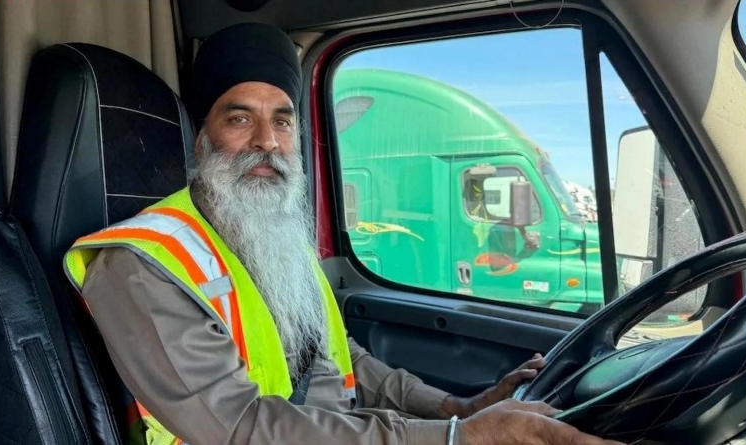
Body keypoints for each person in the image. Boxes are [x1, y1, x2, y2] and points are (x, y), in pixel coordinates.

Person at [63, 22, 626, 445]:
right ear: (201, 140)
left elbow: (338, 358)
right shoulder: (143, 264)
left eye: (283, 120)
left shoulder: (270, 235)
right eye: (239, 118)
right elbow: (237, 427)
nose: (267, 141)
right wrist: (458, 437)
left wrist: (454, 407)